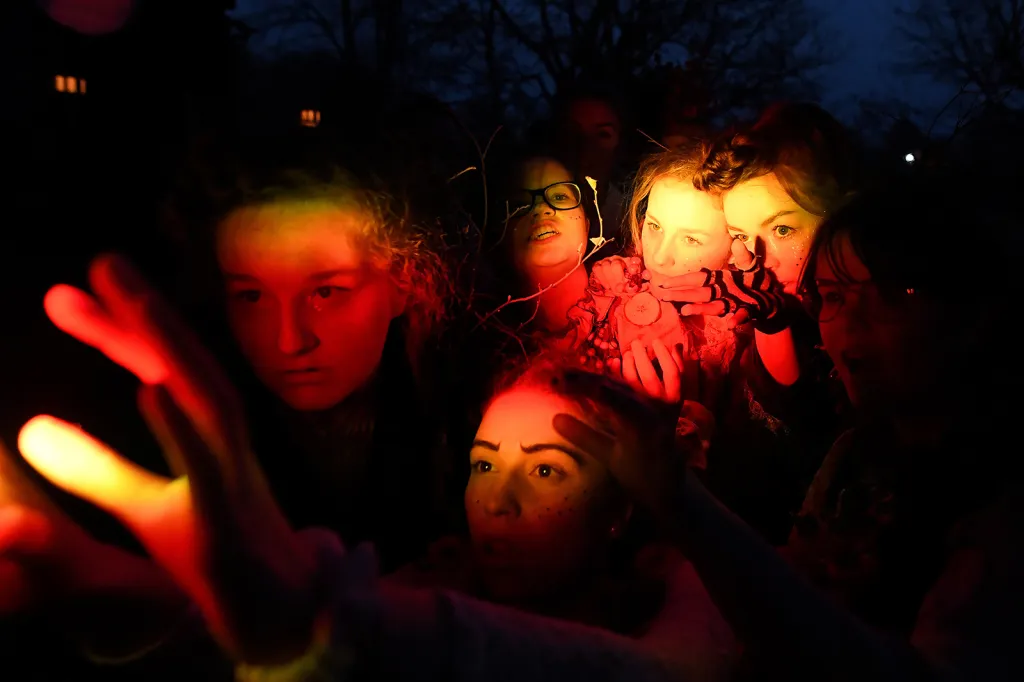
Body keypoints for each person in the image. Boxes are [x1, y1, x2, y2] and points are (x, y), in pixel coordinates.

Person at [17, 256, 735, 680]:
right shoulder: (424, 580)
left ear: (620, 507)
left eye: (547, 471)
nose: (499, 501)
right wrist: (113, 590)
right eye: (484, 466)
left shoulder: (685, 602)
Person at [553, 168, 1024, 680]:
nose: (852, 323)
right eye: (835, 295)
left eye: (899, 293)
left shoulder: (999, 510)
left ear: (976, 312)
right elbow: (793, 576)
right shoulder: (854, 457)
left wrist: (681, 502)